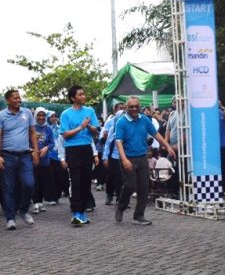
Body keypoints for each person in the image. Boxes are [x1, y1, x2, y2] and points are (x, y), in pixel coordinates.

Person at [113, 96, 175, 225]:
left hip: (142, 157)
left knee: (143, 187)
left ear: (139, 106)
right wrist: (124, 159)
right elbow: (118, 142)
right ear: (126, 108)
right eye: (131, 107)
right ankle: (121, 206)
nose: (134, 109)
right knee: (130, 185)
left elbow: (156, 134)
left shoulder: (145, 120)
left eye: (136, 106)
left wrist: (167, 146)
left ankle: (139, 215)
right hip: (128, 158)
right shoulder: (121, 122)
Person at [0, 89, 38, 230]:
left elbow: (32, 133)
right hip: (8, 156)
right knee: (8, 188)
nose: (18, 100)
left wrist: (35, 151)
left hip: (25, 155)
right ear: (8, 100)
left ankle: (23, 211)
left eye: (19, 98)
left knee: (29, 184)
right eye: (15, 98)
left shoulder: (27, 113)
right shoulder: (1, 116)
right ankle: (10, 218)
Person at [59, 85, 99, 226]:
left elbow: (96, 132)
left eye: (83, 93)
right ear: (73, 98)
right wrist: (80, 127)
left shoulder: (90, 111)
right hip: (72, 150)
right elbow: (65, 135)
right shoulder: (66, 114)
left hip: (86, 149)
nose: (83, 96)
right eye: (80, 94)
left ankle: (82, 212)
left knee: (86, 182)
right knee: (75, 181)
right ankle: (76, 213)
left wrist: (88, 126)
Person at [31, 108, 55, 213]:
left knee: (43, 181)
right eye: (39, 115)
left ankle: (40, 203)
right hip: (33, 159)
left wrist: (46, 148)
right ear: (35, 116)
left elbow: (52, 143)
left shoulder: (48, 129)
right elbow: (27, 142)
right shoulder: (31, 128)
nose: (41, 117)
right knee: (34, 181)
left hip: (45, 160)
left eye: (43, 115)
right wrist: (33, 151)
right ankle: (35, 202)